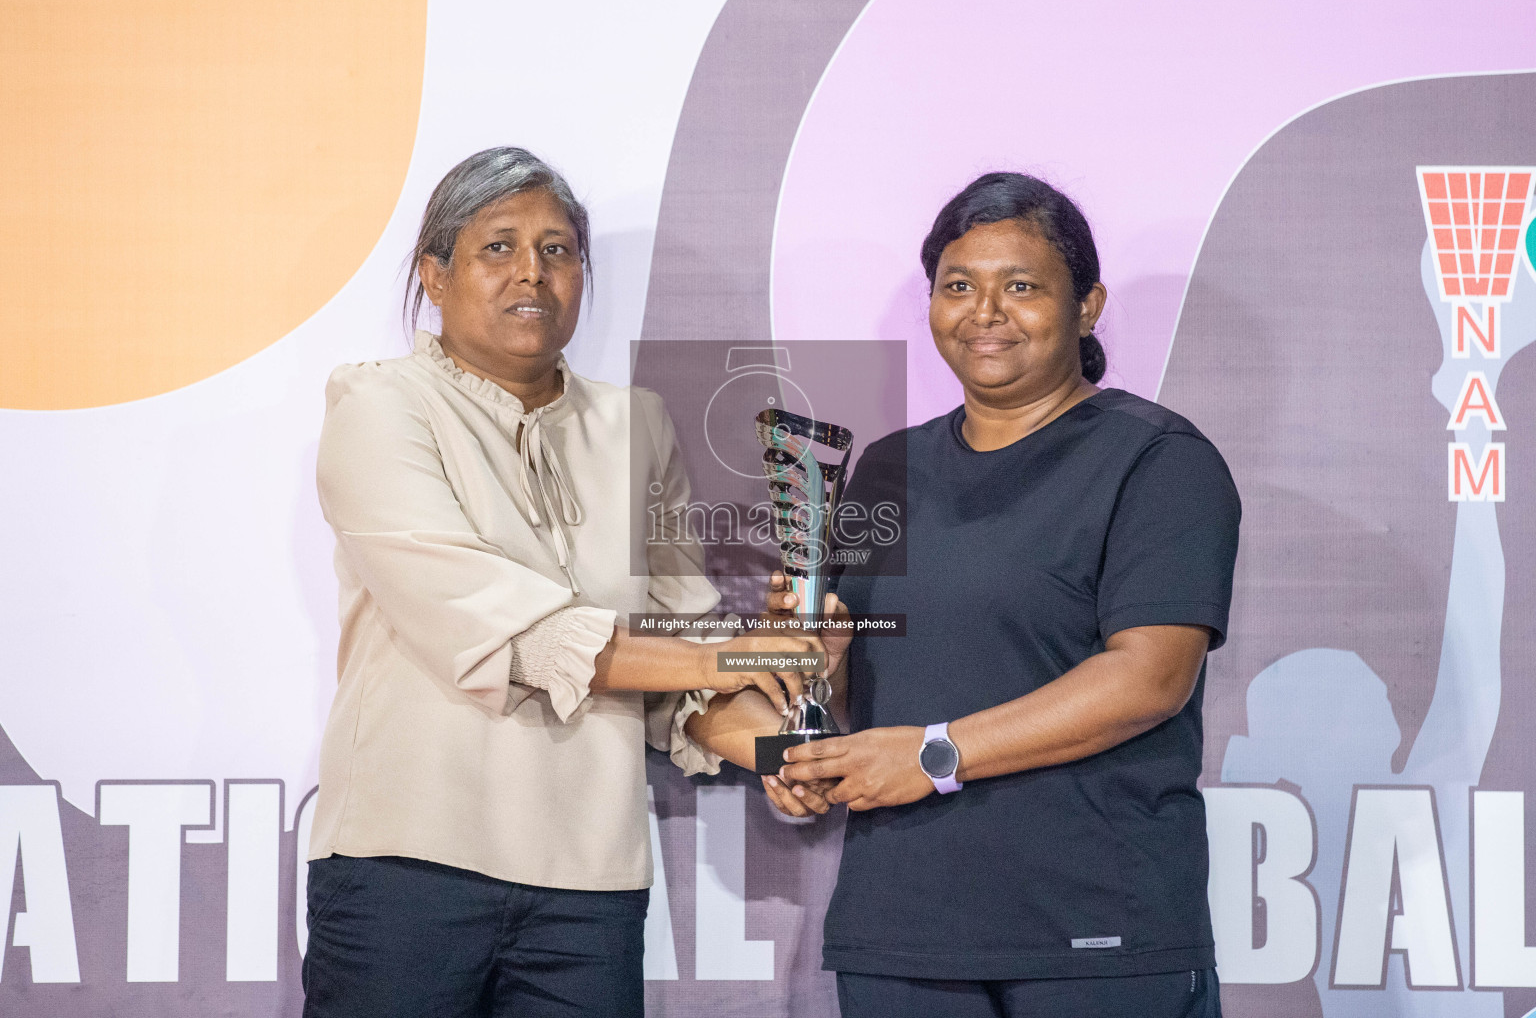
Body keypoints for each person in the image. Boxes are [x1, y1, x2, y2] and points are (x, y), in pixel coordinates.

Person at [301, 146, 825, 1018]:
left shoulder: (635, 424)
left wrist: (784, 751)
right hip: (405, 871)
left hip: (588, 890)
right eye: (497, 247)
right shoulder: (378, 406)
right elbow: (511, 631)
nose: (532, 275)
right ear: (435, 274)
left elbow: (682, 667)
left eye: (558, 250)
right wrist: (721, 657)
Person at [770, 172, 1242, 1017]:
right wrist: (824, 679)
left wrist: (932, 754)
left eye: (1020, 286)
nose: (984, 311)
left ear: (1088, 304)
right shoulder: (884, 468)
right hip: (902, 932)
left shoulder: (1159, 460)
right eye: (958, 286)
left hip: (1096, 930)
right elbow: (864, 704)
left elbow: (1148, 679)